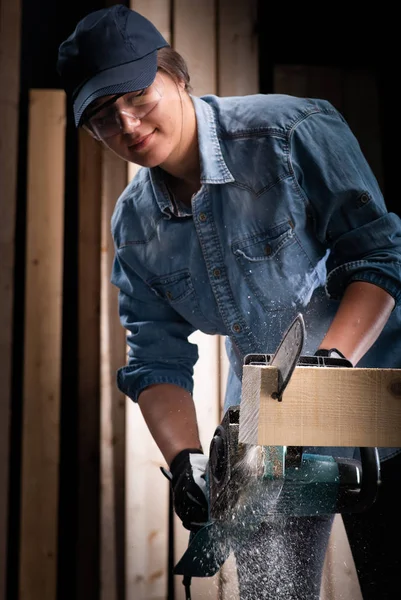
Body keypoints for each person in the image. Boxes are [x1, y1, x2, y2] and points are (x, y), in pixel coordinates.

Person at [58, 5, 401, 599]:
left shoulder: (291, 131)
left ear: (177, 74)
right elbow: (156, 359)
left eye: (137, 95)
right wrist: (186, 459)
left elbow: (378, 258)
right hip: (266, 417)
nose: (128, 124)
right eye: (103, 119)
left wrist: (331, 366)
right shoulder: (136, 225)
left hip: (377, 389)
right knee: (271, 593)